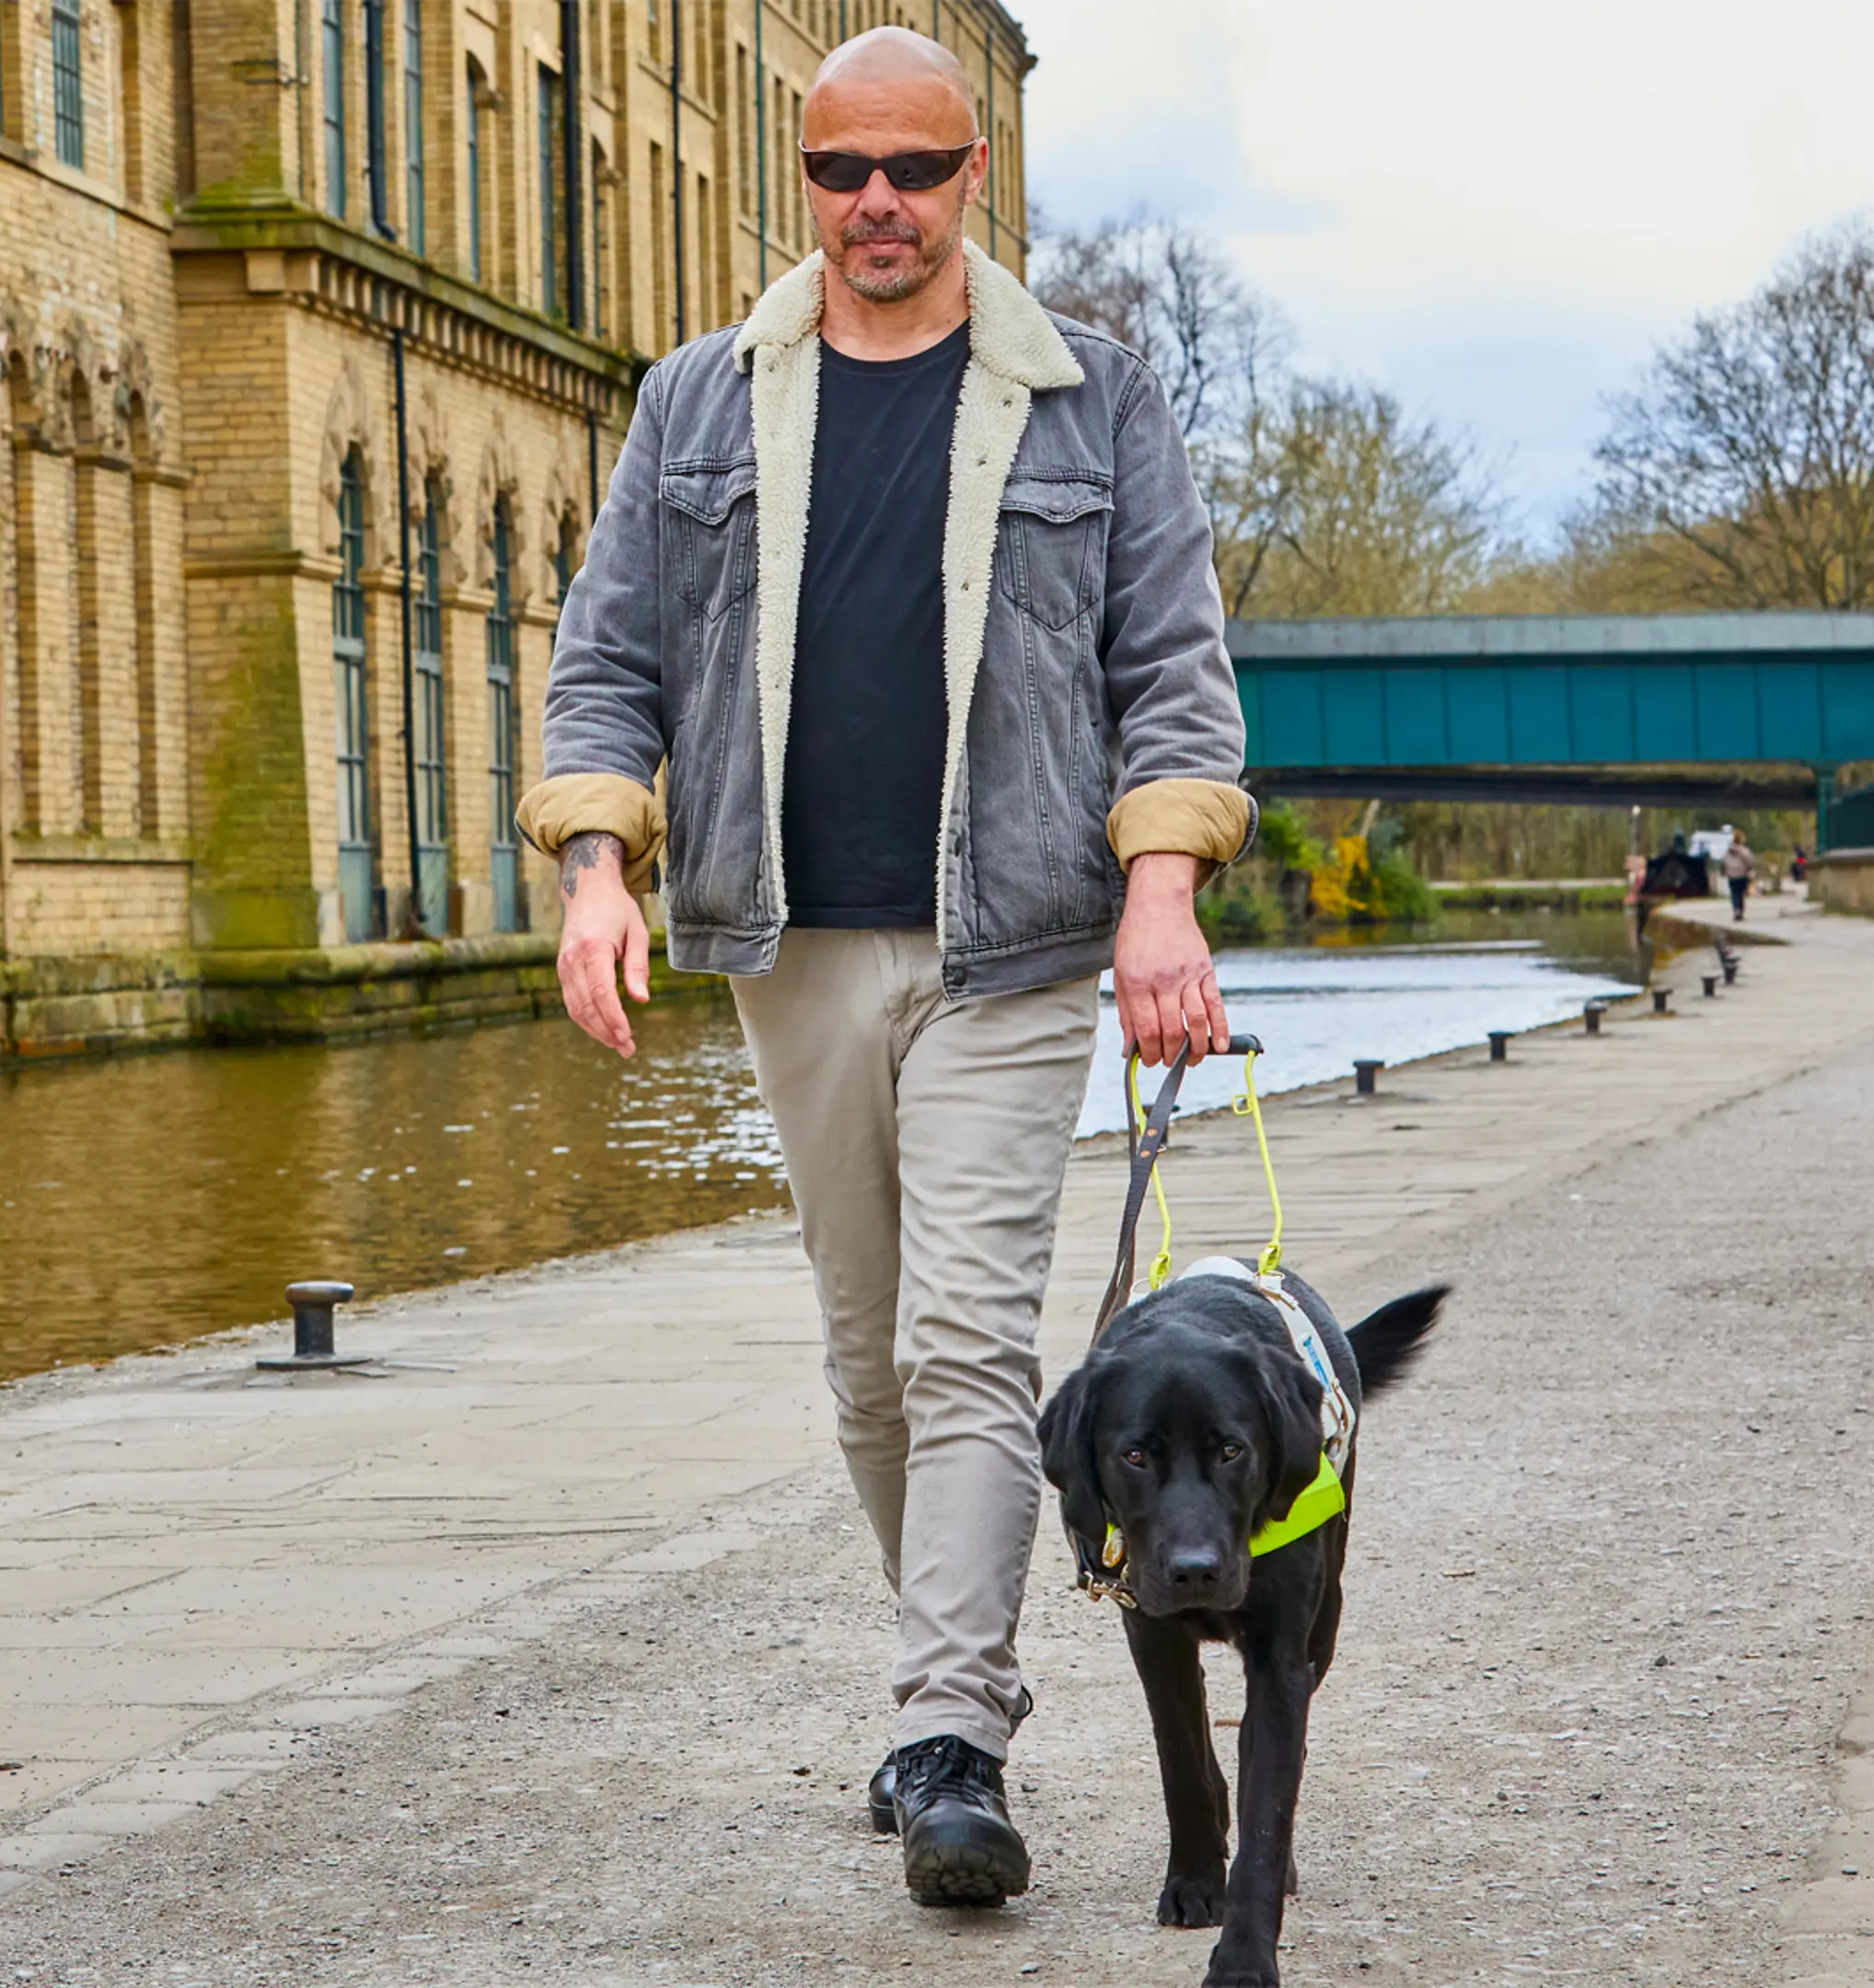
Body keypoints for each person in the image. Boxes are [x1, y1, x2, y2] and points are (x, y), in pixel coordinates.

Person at [519, 25, 1249, 1912]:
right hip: (787, 941)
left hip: (1012, 947)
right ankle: (946, 1685)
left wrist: (1159, 895)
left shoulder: (1098, 396)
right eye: (844, 174)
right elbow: (607, 660)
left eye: (914, 173)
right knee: (867, 1365)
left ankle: (952, 1732)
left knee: (967, 1342)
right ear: (808, 176)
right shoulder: (693, 407)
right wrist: (600, 864)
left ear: (973, 175)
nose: (877, 209)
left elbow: (1170, 674)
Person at [1719, 826, 1754, 921]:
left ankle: (1736, 910)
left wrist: (1723, 872)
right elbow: (1750, 861)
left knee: (1734, 894)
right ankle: (1740, 911)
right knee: (1741, 894)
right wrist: (1748, 869)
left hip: (1731, 876)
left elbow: (1723, 862)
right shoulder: (1744, 851)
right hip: (1742, 875)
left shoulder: (1728, 852)